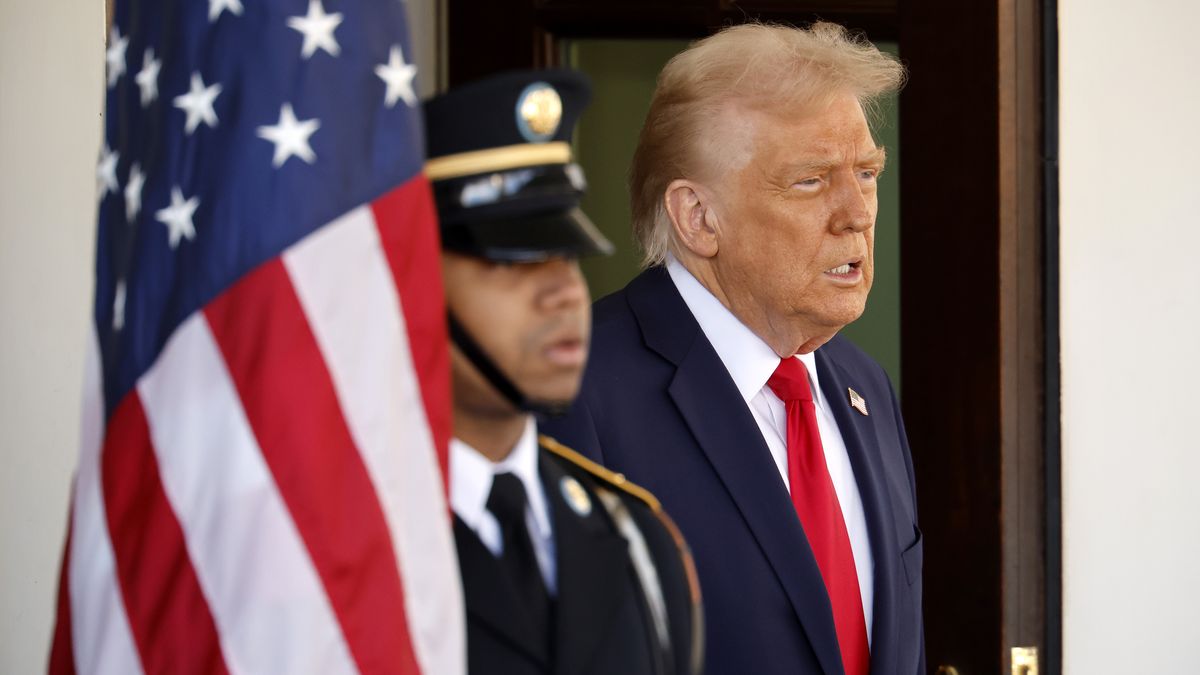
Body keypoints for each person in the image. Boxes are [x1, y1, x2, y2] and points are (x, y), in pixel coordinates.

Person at [542, 23, 924, 675]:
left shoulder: (867, 387)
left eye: (866, 172)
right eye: (811, 181)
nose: (857, 212)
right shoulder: (577, 394)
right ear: (698, 217)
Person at [424, 70, 703, 675]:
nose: (562, 293)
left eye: (566, 254)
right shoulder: (325, 551)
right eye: (511, 262)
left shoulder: (641, 548)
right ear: (411, 287)